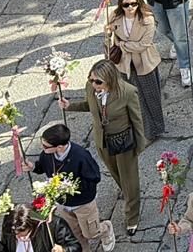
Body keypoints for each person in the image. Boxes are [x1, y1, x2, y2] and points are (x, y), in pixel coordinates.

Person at [59, 58, 146, 236]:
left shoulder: (128, 92)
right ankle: (130, 196)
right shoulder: (91, 89)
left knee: (129, 179)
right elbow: (89, 106)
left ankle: (132, 216)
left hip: (123, 141)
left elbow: (137, 120)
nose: (93, 84)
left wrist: (139, 144)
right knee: (117, 175)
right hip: (103, 142)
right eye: (91, 80)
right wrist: (70, 106)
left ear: (110, 79)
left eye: (98, 81)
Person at [33, 123, 113, 252]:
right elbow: (41, 166)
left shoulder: (81, 156)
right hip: (62, 203)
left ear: (60, 146)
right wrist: (32, 167)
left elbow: (94, 177)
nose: (43, 148)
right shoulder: (47, 154)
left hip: (83, 203)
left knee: (90, 232)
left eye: (46, 146)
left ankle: (105, 229)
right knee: (74, 233)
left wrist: (70, 186)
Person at [105, 0, 165, 140]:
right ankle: (139, 128)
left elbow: (143, 45)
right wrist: (107, 33)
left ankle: (155, 129)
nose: (130, 7)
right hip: (125, 64)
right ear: (121, 5)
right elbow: (109, 40)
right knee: (132, 99)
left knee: (151, 98)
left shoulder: (147, 19)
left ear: (139, 3)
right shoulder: (115, 17)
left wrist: (122, 46)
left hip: (144, 63)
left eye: (133, 4)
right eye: (126, 5)